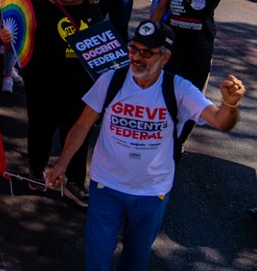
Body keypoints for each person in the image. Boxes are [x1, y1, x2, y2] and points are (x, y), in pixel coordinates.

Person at [45, 20, 245, 271]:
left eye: (147, 52)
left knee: (136, 260)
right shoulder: (112, 80)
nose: (137, 57)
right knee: (97, 258)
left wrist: (230, 104)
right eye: (133, 49)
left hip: (152, 192)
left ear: (165, 57)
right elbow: (83, 124)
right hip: (106, 185)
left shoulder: (179, 89)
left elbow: (220, 121)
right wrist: (61, 164)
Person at [11, 0, 104, 206]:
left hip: (81, 86)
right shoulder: (38, 9)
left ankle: (74, 182)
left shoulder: (94, 11)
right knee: (40, 129)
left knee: (77, 132)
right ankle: (36, 171)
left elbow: (103, 47)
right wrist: (7, 37)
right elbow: (21, 42)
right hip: (43, 83)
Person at [152, 0, 249, 92]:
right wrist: (148, 36)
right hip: (173, 48)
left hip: (199, 50)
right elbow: (160, 10)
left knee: (193, 94)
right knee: (167, 90)